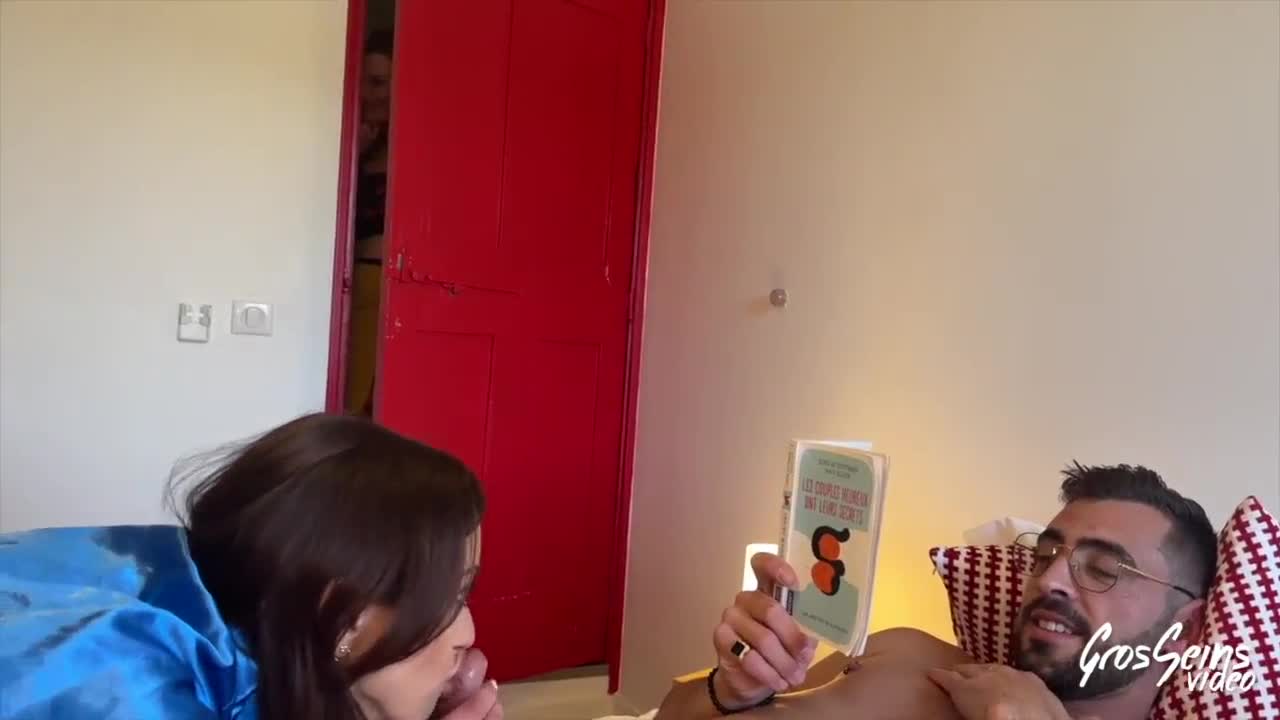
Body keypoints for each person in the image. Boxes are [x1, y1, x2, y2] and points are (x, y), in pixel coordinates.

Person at [0, 414, 505, 720]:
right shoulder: (130, 689)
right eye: (453, 596)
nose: (467, 633)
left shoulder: (225, 588)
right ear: (340, 613)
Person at [656, 463, 1218, 720]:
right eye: (1045, 555)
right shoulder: (902, 650)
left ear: (1185, 628)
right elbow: (671, 714)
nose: (1048, 580)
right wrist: (730, 690)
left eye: (1104, 568)